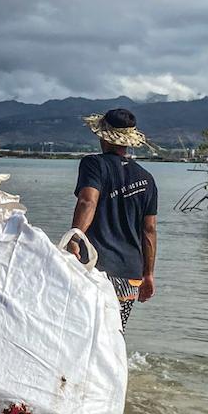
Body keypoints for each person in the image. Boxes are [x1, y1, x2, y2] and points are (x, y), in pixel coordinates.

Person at [69, 108, 158, 330]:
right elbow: (149, 230)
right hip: (130, 274)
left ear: (102, 135)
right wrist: (148, 274)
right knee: (115, 336)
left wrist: (74, 237)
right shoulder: (147, 179)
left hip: (96, 268)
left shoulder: (94, 164)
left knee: (85, 333)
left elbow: (87, 201)